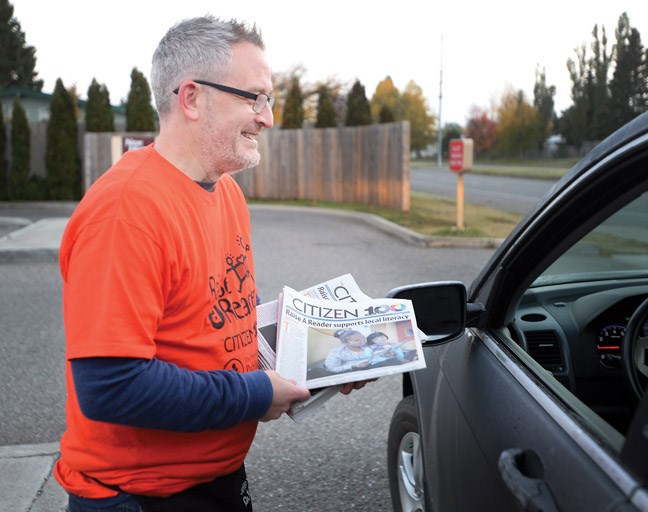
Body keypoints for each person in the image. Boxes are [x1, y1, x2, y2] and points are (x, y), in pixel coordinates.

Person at [53, 15, 350, 512]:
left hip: (215, 481)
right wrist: (256, 394)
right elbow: (110, 386)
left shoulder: (227, 192)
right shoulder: (126, 212)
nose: (267, 117)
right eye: (252, 97)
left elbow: (219, 314)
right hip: (137, 498)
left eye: (268, 99)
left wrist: (318, 355)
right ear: (191, 98)